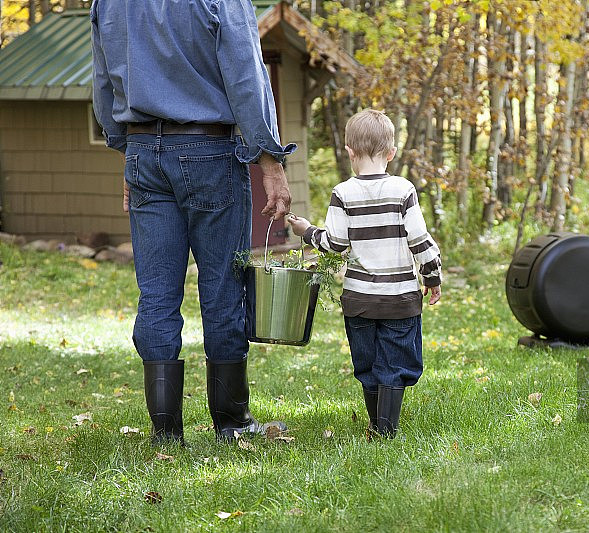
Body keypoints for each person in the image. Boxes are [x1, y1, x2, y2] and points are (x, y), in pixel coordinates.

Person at [91, 0, 296, 444]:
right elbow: (244, 73)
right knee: (222, 287)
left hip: (144, 153)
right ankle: (231, 423)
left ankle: (165, 433)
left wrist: (127, 149)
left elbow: (104, 78)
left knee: (157, 294)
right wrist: (269, 158)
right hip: (208, 151)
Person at [288, 109, 442, 438]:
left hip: (359, 301)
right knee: (396, 362)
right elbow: (419, 240)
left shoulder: (343, 194)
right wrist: (432, 277)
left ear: (349, 151)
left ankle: (377, 424)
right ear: (391, 153)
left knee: (368, 363)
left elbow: (335, 245)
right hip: (400, 298)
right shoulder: (403, 190)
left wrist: (306, 231)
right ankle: (385, 428)